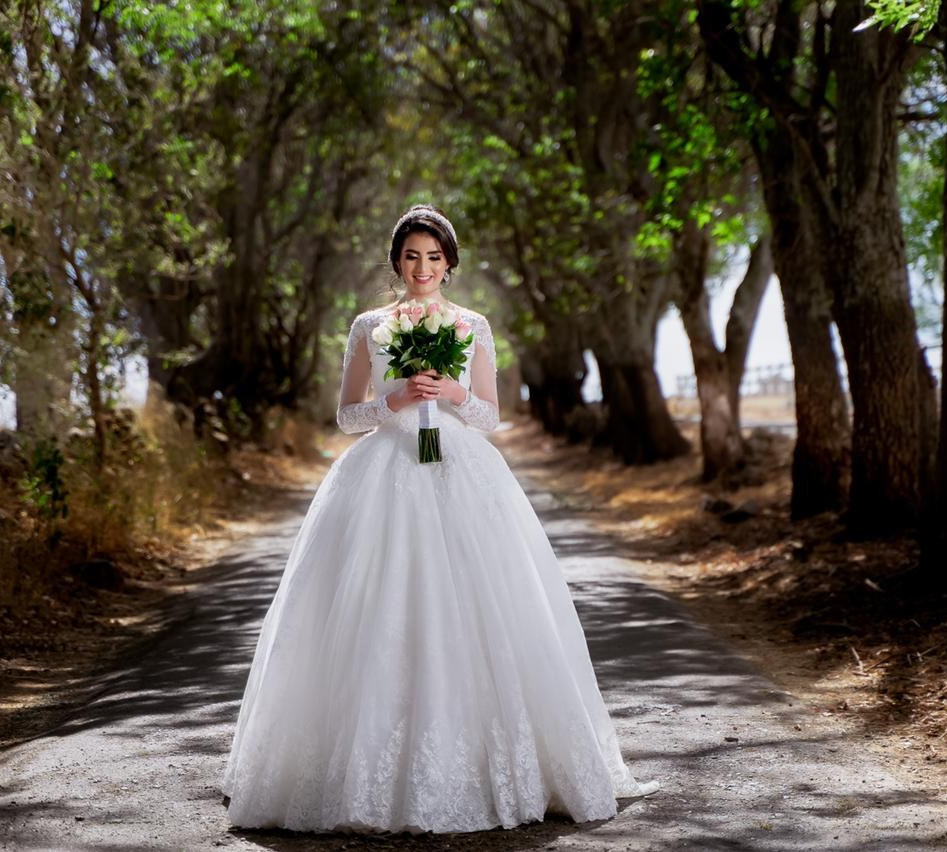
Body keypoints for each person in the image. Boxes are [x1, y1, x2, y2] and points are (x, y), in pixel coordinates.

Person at [220, 204, 659, 833]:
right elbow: (346, 416)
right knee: (372, 608)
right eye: (410, 256)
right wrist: (393, 399)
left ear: (449, 265)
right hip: (385, 467)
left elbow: (489, 416)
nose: (422, 268)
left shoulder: (473, 325)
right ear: (396, 262)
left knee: (483, 606)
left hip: (461, 471)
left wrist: (453, 394)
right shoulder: (370, 325)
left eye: (433, 257)